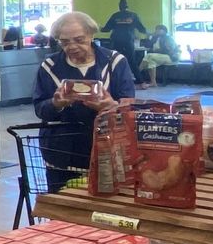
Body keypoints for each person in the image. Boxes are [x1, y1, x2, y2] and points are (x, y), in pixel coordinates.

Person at [33, 11, 136, 193]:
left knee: (107, 205)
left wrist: (111, 106)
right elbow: (40, 108)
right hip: (63, 153)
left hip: (106, 148)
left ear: (91, 34)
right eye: (64, 42)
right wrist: (56, 104)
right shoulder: (50, 67)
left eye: (79, 39)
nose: (72, 46)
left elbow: (129, 105)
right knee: (62, 208)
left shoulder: (115, 62)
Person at [101, 0, 149, 73]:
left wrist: (99, 28)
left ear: (119, 6)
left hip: (116, 40)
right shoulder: (133, 15)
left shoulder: (115, 15)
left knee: (114, 60)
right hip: (128, 40)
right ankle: (140, 82)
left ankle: (112, 79)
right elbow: (141, 29)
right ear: (127, 6)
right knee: (132, 61)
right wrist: (149, 33)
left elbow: (106, 29)